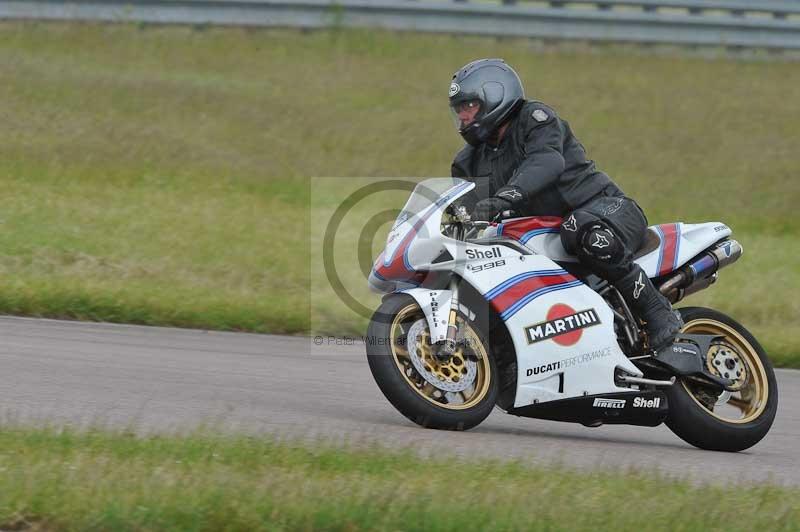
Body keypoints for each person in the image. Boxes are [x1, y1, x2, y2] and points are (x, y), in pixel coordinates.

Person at [448, 58, 681, 351]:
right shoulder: (466, 162)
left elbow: (547, 161)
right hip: (547, 240)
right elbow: (465, 213)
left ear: (495, 95)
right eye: (458, 110)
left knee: (577, 226)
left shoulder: (534, 119)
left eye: (469, 106)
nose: (463, 116)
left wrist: (505, 198)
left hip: (608, 212)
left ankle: (656, 311)